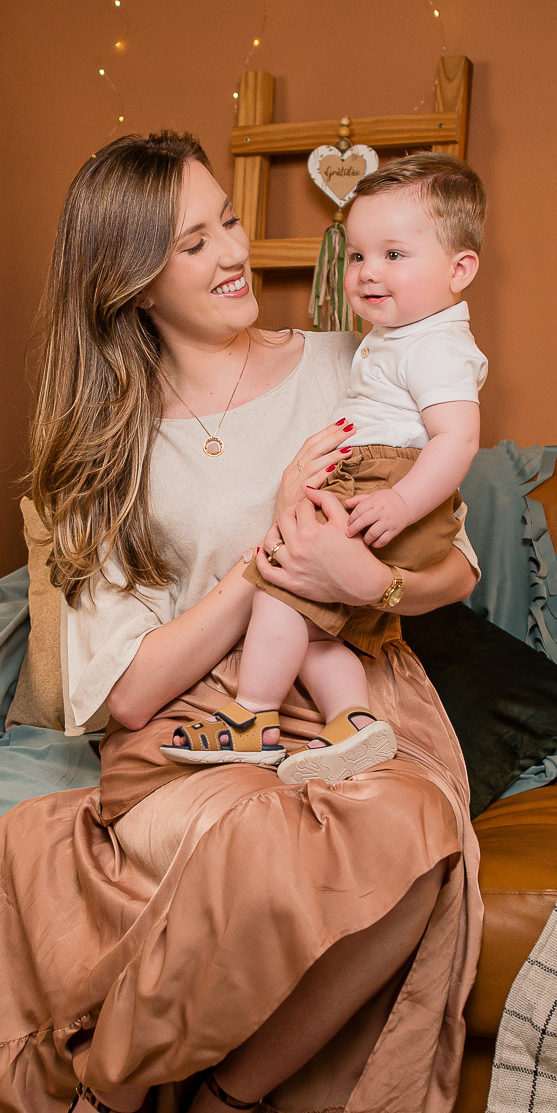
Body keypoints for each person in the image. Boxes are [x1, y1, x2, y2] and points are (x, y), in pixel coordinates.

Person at [0, 131, 483, 1113]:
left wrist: (365, 580)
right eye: (193, 242)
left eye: (225, 219)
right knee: (257, 826)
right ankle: (108, 1105)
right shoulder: (103, 440)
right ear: (130, 279)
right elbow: (127, 686)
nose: (234, 252)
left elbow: (451, 567)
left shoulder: (352, 360)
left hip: (349, 698)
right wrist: (268, 551)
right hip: (188, 725)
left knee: (423, 838)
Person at [163, 153, 487, 786]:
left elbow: (459, 439)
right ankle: (354, 722)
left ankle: (252, 715)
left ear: (460, 269)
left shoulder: (435, 345)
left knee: (283, 581)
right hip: (374, 479)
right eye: (358, 255)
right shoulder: (401, 336)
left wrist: (400, 504)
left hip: (385, 482)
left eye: (394, 254)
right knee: (313, 629)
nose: (367, 272)